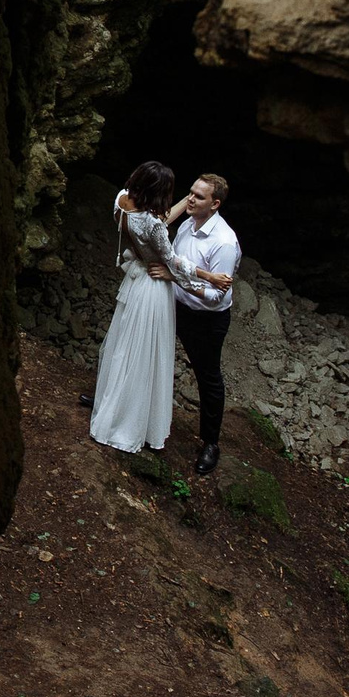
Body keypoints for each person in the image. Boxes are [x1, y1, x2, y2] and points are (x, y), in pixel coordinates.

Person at [85, 162, 180, 455]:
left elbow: (156, 222)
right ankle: (130, 420)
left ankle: (110, 401)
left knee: (123, 344)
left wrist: (181, 207)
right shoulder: (152, 223)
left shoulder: (122, 200)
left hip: (134, 278)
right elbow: (172, 260)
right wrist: (206, 278)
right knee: (146, 352)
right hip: (152, 286)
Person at [163, 173, 241, 475]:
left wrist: (176, 279)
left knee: (207, 377)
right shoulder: (187, 223)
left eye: (198, 196)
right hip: (175, 304)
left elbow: (214, 297)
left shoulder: (224, 242)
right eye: (191, 192)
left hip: (206, 318)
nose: (190, 199)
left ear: (215, 203)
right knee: (150, 350)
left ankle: (211, 443)